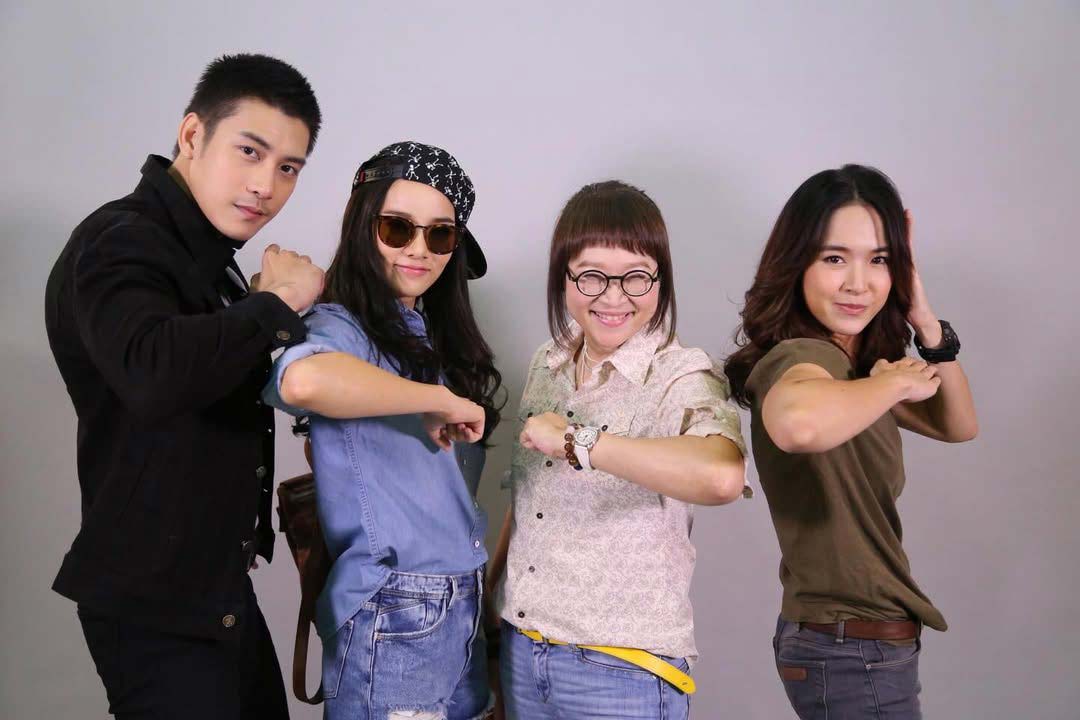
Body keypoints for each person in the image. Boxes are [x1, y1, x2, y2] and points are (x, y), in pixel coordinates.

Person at [44, 53, 323, 719]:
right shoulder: (120, 240)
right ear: (193, 135)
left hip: (210, 587)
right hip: (153, 601)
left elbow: (215, 377)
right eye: (250, 152)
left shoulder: (208, 261)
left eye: (288, 167)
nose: (265, 185)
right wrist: (277, 302)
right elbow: (153, 372)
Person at [487, 180, 749, 720]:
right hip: (522, 651)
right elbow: (530, 501)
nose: (613, 297)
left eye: (635, 276)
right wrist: (490, 607)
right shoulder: (547, 362)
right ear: (563, 277)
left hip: (621, 670)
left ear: (660, 279)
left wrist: (578, 441)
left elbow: (721, 477)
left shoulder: (682, 374)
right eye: (591, 275)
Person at [724, 165, 978, 719]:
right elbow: (797, 423)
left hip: (855, 644)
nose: (858, 283)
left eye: (879, 259)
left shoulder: (852, 369)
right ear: (796, 263)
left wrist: (924, 320)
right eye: (835, 258)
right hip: (849, 647)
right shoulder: (802, 358)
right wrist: (892, 384)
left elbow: (958, 424)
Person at [263, 141, 503, 720]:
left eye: (440, 235)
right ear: (363, 227)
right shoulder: (338, 324)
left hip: (458, 604)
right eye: (398, 228)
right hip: (398, 608)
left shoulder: (423, 333)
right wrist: (437, 400)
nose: (419, 249)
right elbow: (302, 380)